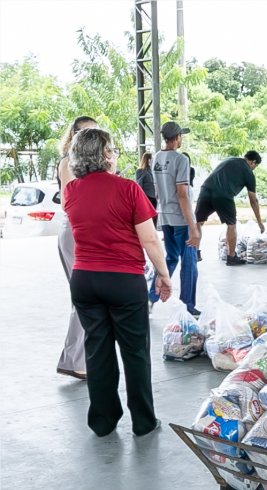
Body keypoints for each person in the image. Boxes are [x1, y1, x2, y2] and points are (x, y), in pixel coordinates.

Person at [62, 127, 173, 437]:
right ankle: (143, 421)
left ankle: (103, 420)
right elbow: (150, 240)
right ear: (106, 154)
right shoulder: (128, 189)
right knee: (135, 352)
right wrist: (163, 275)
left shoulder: (71, 191)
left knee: (97, 351)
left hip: (84, 280)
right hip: (124, 280)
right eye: (112, 149)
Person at [55, 115, 98, 381]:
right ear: (74, 137)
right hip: (75, 232)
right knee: (84, 299)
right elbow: (70, 202)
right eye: (86, 133)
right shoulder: (68, 163)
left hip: (85, 232)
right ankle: (75, 361)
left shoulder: (89, 165)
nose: (93, 138)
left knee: (87, 298)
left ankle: (78, 359)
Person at [150, 121, 201, 314]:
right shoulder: (181, 160)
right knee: (189, 263)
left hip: (164, 216)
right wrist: (193, 227)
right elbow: (182, 195)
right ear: (177, 137)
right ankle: (187, 306)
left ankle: (150, 298)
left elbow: (157, 191)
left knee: (170, 259)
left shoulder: (156, 157)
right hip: (181, 219)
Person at [195, 151, 266, 266]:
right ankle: (231, 257)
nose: (254, 168)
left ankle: (194, 253)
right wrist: (260, 222)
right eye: (255, 166)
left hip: (206, 189)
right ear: (253, 162)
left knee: (197, 222)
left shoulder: (229, 159)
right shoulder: (248, 173)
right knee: (231, 225)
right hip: (224, 195)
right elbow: (253, 201)